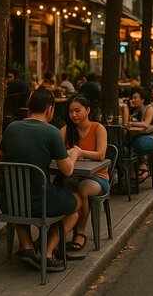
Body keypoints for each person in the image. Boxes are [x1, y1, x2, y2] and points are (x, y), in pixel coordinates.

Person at [0, 89, 82, 272]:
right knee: (76, 204)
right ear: (50, 109)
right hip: (39, 202)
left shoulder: (12, 127)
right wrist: (74, 154)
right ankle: (47, 252)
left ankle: (27, 247)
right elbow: (67, 170)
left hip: (8, 201)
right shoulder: (51, 132)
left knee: (20, 200)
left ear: (29, 107)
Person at [59, 96, 107, 252]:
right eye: (71, 111)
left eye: (77, 111)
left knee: (83, 189)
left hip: (97, 177)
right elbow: (59, 154)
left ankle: (79, 234)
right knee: (64, 187)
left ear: (87, 110)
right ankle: (56, 235)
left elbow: (100, 154)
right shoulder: (66, 130)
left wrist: (79, 152)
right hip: (73, 175)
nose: (74, 115)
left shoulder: (98, 128)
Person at [120, 87, 153, 182]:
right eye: (132, 98)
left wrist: (130, 123)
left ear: (142, 99)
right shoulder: (136, 110)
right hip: (140, 136)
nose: (133, 100)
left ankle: (141, 168)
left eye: (135, 98)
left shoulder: (149, 108)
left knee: (134, 145)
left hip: (152, 138)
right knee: (127, 143)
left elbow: (146, 124)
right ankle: (137, 168)